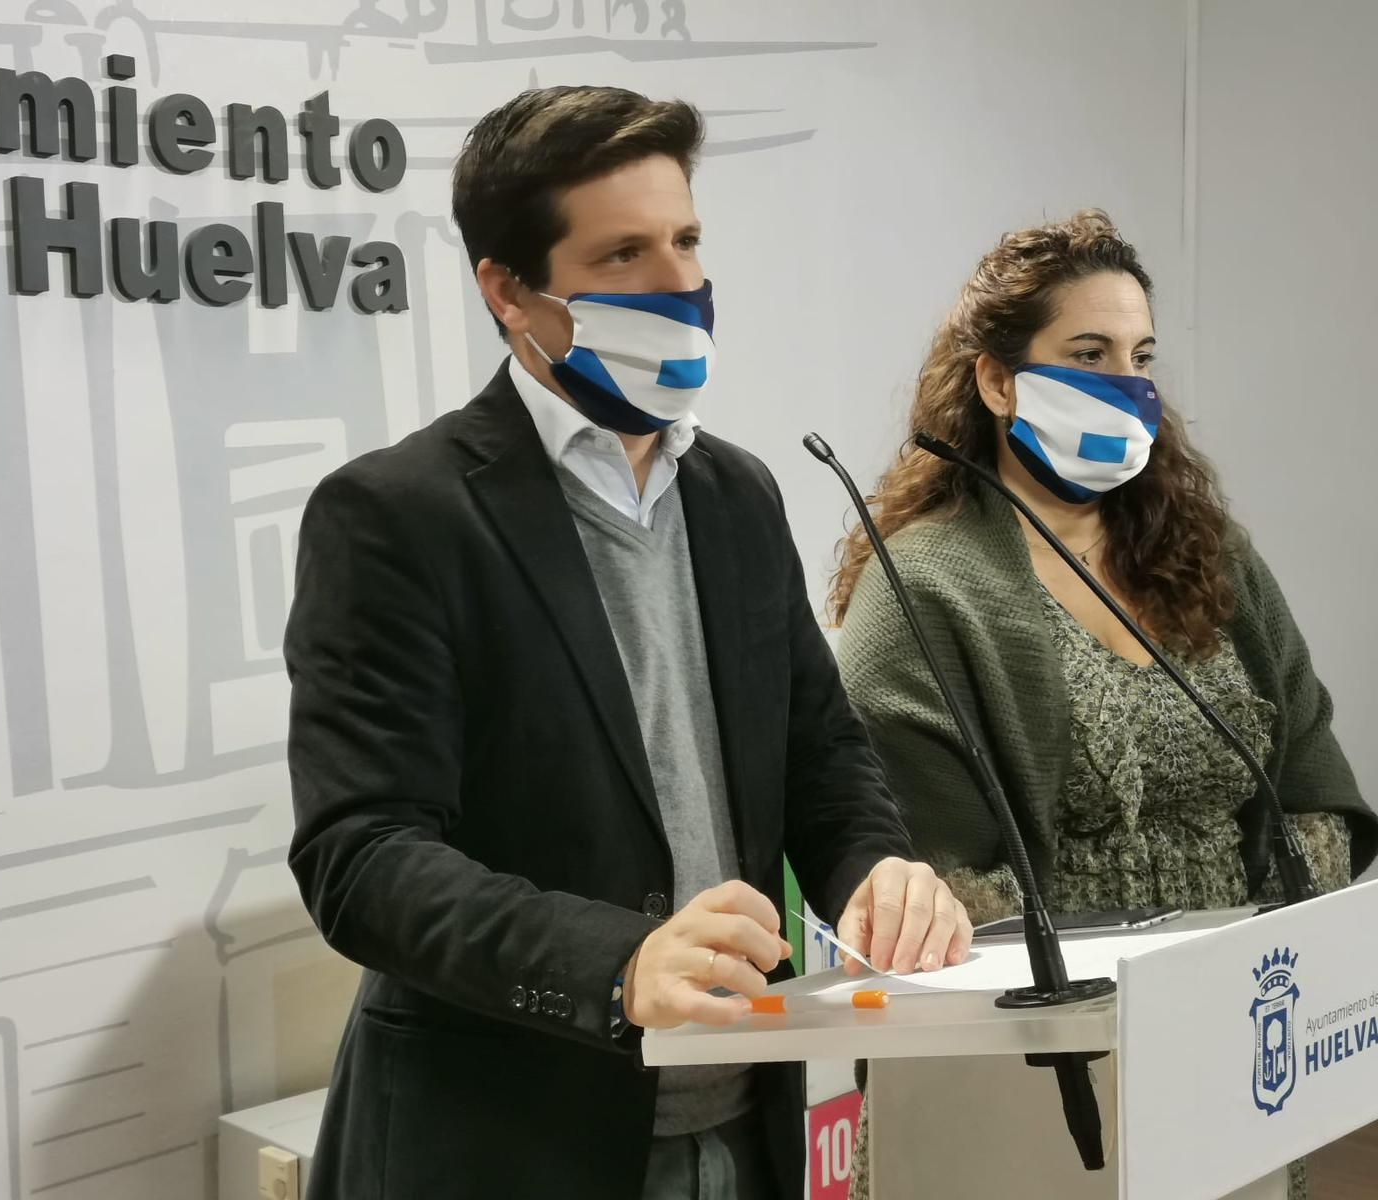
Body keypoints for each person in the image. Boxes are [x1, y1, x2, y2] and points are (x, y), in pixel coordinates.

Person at [284, 85, 973, 1200]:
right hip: (506, 1146)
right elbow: (361, 857)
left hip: (746, 1122)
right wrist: (618, 964)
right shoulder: (396, 515)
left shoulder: (736, 495)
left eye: (687, 240)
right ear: (509, 292)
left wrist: (877, 872)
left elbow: (821, 760)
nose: (680, 285)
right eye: (623, 255)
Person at [830, 210, 1377, 1199]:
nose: (1124, 382)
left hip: (1229, 1049)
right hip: (1022, 1070)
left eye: (1140, 356)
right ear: (996, 382)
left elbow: (1308, 775)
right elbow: (935, 882)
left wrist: (1270, 954)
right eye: (1086, 353)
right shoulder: (924, 587)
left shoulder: (1209, 557)